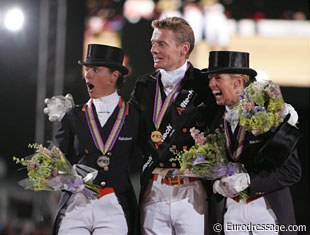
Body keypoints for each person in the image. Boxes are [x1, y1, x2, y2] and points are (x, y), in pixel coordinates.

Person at [130, 16, 219, 235]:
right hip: (154, 188)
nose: (153, 49)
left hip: (192, 190)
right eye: (153, 43)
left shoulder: (203, 84)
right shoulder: (144, 85)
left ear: (183, 48)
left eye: (161, 44)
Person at [205, 51, 302, 234]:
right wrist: (215, 182)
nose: (211, 84)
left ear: (238, 83)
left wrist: (249, 181)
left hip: (266, 210)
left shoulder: (268, 115)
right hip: (230, 211)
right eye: (210, 78)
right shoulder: (214, 119)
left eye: (217, 78)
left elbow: (292, 172)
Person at [51, 44, 140, 235]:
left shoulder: (134, 116)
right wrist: (45, 167)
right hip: (77, 203)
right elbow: (57, 157)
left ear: (114, 76)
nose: (87, 75)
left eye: (95, 70)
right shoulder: (73, 116)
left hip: (113, 204)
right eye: (87, 70)